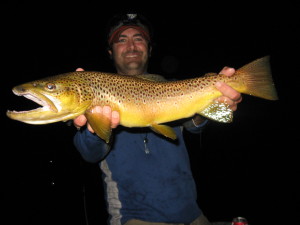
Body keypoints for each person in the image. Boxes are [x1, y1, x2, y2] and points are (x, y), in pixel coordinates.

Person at [73, 13, 242, 225]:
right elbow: (90, 152)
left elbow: (194, 125)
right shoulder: (96, 96)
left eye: (139, 39)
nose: (132, 46)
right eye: (122, 40)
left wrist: (217, 101)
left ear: (149, 49)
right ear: (110, 52)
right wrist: (94, 129)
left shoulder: (172, 87)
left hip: (194, 216)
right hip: (132, 218)